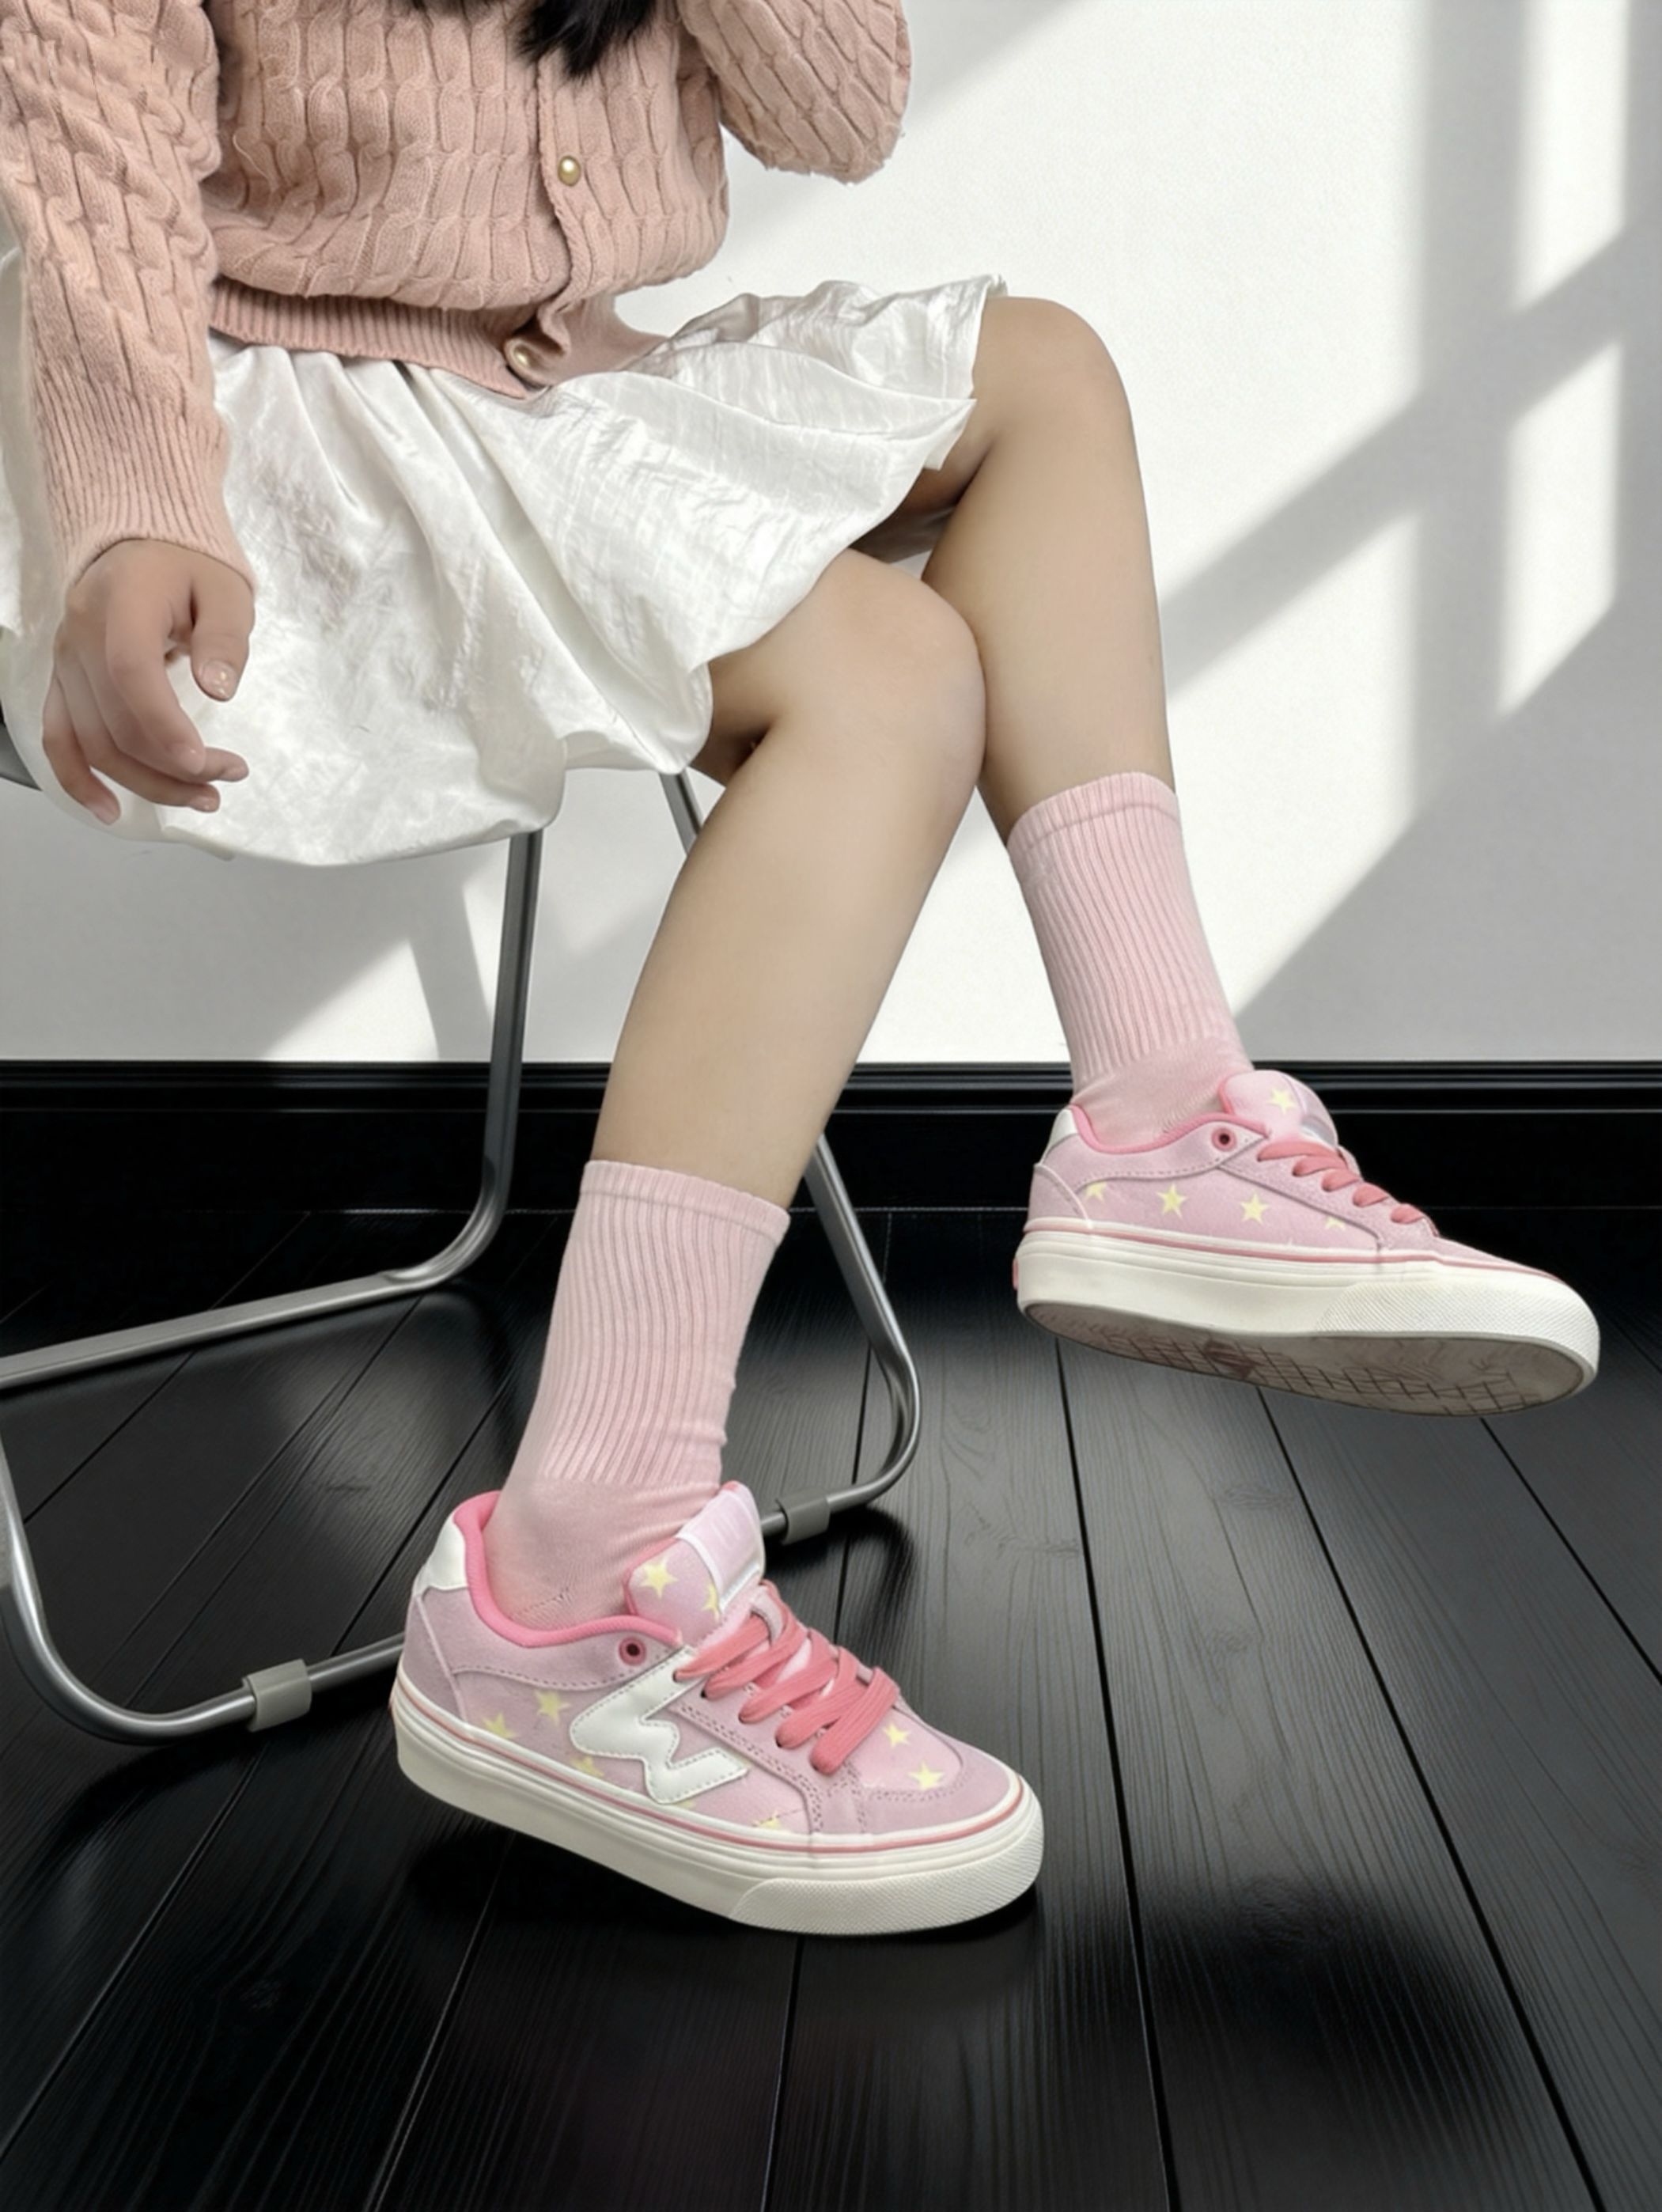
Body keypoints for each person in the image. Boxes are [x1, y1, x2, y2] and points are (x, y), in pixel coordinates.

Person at [0, 0, 1599, 1936]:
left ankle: (1164, 1114)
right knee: (890, 676)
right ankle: (573, 1575)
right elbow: (82, 117)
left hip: (547, 391)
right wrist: (127, 495)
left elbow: (843, 108)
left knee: (1045, 378)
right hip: (232, 427)